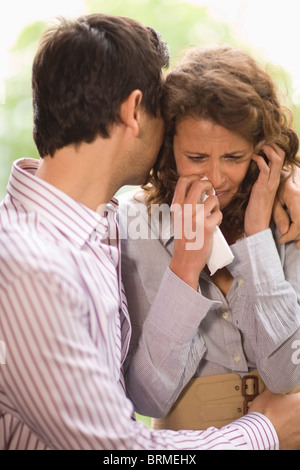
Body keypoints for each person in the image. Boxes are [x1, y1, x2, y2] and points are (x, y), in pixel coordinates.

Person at [0, 15, 300, 452]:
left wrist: (286, 178)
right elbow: (119, 454)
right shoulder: (33, 264)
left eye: (233, 155)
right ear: (134, 111)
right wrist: (265, 432)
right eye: (162, 105)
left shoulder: (92, 235)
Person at [118, 44, 300, 432]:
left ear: (260, 149)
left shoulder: (289, 211)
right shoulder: (132, 222)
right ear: (168, 147)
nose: (216, 178)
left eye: (234, 157)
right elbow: (147, 398)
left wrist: (256, 237)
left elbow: (288, 373)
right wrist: (185, 265)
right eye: (196, 157)